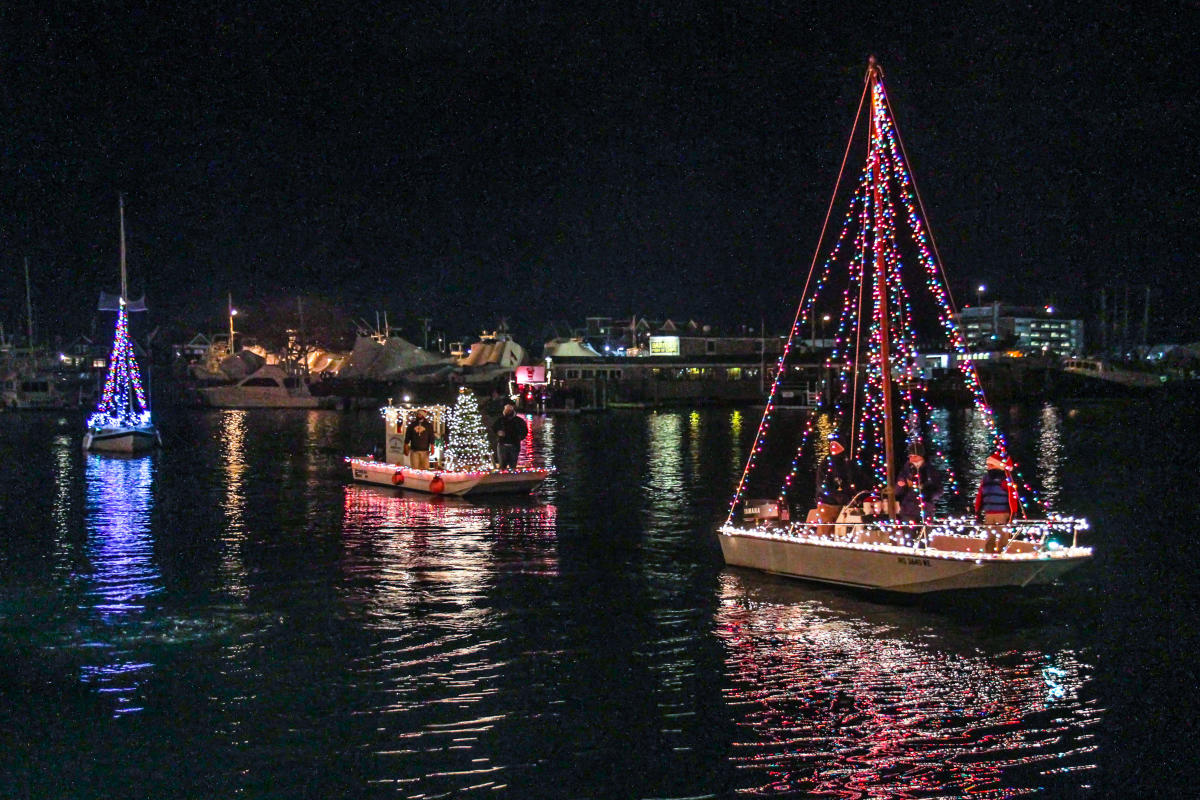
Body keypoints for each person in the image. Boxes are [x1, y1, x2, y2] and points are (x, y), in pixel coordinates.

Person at [975, 452, 1019, 552]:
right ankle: (991, 555)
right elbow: (980, 495)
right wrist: (977, 511)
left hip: (1002, 513)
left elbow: (1012, 496)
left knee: (1001, 537)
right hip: (990, 513)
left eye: (990, 464)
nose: (988, 466)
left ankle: (1000, 556)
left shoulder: (1005, 479)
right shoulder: (986, 479)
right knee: (991, 537)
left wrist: (1013, 513)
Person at [812, 438, 856, 532]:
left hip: (844, 506)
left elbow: (855, 479)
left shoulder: (848, 464)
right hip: (827, 504)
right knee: (825, 531)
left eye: (836, 445)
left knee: (841, 532)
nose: (833, 448)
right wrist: (834, 495)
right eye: (831, 445)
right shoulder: (825, 464)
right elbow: (821, 485)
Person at [895, 441, 942, 523]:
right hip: (908, 511)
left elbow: (939, 490)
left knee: (926, 533)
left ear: (921, 456)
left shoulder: (930, 470)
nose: (912, 459)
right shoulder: (906, 470)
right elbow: (897, 492)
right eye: (910, 456)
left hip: (926, 509)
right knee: (909, 534)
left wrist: (927, 496)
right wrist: (900, 486)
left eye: (915, 456)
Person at [491, 403, 528, 469]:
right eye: (506, 410)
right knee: (502, 465)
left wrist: (518, 437)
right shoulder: (500, 420)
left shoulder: (519, 421)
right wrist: (498, 432)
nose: (508, 412)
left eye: (509, 410)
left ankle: (511, 476)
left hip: (514, 445)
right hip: (502, 445)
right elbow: (493, 428)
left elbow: (524, 431)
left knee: (513, 465)